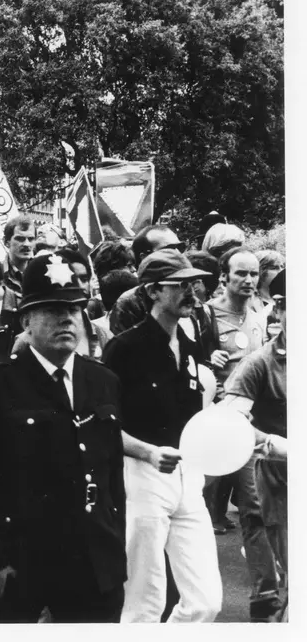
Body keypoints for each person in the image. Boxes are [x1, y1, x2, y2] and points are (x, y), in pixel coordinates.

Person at [0, 254, 126, 623]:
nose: (66, 319)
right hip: (22, 559)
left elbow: (112, 475)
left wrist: (116, 544)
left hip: (92, 555)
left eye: (74, 310)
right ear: (26, 320)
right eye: (51, 310)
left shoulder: (101, 380)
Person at [101, 249, 221, 622]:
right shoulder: (123, 349)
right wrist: (149, 453)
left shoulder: (188, 342)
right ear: (153, 292)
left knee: (205, 602)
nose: (192, 291)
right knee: (144, 600)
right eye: (180, 285)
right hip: (143, 477)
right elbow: (104, 426)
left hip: (188, 476)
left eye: (193, 283)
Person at [204, 246, 278, 619]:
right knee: (200, 505)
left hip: (248, 428)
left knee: (254, 508)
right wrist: (206, 359)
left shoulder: (260, 316)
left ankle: (265, 595)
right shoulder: (206, 315)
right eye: (240, 274)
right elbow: (190, 361)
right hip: (211, 423)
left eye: (253, 274)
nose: (248, 281)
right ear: (224, 277)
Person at [221, 269, 288, 622]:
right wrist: (275, 444)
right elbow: (233, 420)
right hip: (280, 481)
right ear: (278, 310)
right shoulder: (258, 363)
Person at [108, 224, 186, 335]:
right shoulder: (129, 305)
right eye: (169, 250)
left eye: (181, 248)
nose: (178, 254)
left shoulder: (190, 292)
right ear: (145, 257)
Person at [1, 215, 37, 295]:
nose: (26, 244)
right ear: (6, 242)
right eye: (20, 239)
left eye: (31, 239)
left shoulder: (43, 272)